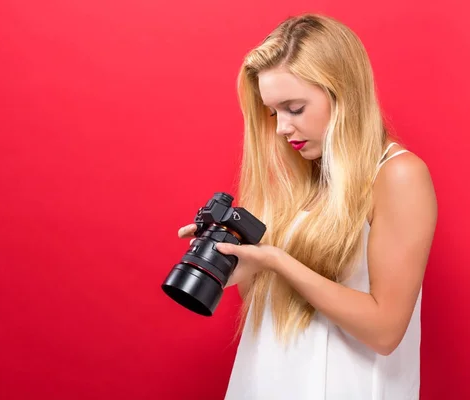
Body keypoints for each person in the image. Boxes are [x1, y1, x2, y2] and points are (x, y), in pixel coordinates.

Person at [177, 13, 437, 400]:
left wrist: (278, 260)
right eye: (273, 113)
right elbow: (288, 319)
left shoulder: (399, 175)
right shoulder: (309, 177)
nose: (281, 128)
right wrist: (241, 265)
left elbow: (385, 331)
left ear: (343, 92)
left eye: (294, 108)